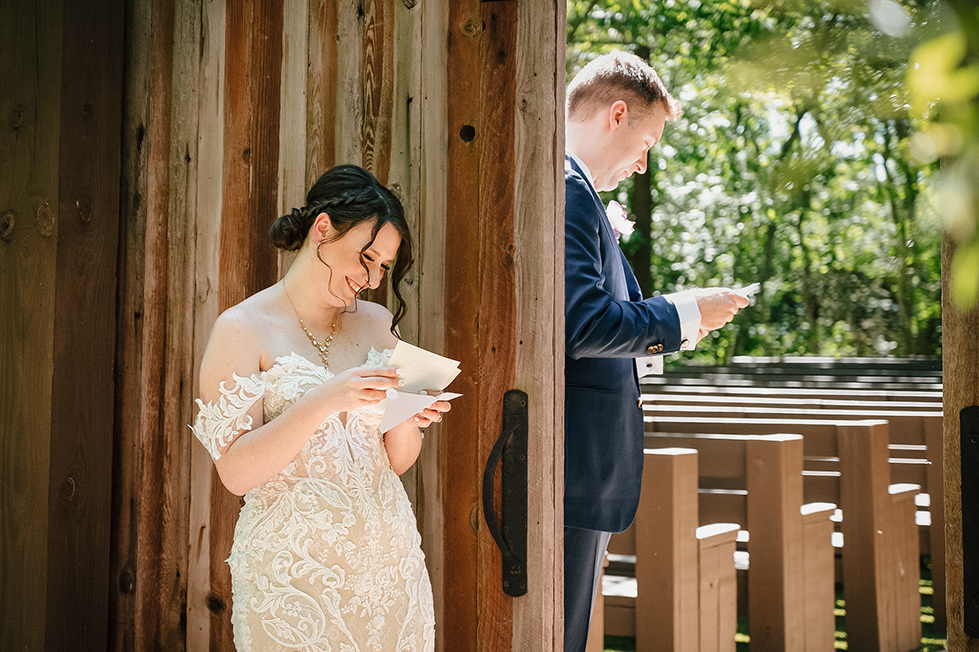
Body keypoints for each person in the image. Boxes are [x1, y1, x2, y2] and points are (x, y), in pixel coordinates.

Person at [191, 164, 448, 652]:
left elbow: (397, 460)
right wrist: (324, 400)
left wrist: (409, 418)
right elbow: (235, 473)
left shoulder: (377, 324)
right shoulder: (242, 328)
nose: (371, 279)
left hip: (391, 572)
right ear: (323, 229)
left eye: (383, 268)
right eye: (366, 257)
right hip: (295, 582)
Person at [562, 51, 749, 651]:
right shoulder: (569, 191)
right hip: (573, 461)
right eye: (645, 143)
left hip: (581, 463)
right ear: (617, 114)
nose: (643, 165)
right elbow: (582, 323)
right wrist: (685, 311)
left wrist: (684, 325)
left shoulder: (576, 191)